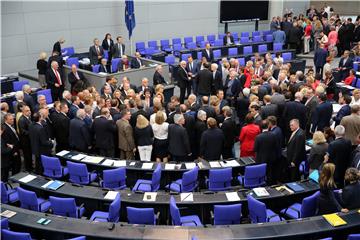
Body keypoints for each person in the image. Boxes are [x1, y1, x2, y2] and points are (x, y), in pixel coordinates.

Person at [254, 120, 281, 184]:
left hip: (261, 159)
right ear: (268, 126)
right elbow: (276, 146)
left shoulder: (258, 137)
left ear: (260, 127)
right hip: (271, 158)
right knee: (270, 173)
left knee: (261, 173)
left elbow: (255, 149)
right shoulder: (273, 135)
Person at [18, 105, 33, 172]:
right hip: (25, 142)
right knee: (27, 156)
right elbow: (23, 131)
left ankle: (31, 167)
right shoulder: (21, 120)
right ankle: (29, 169)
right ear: (23, 112)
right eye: (27, 111)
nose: (29, 112)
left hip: (29, 140)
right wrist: (32, 132)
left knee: (29, 155)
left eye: (29, 110)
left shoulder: (28, 117)